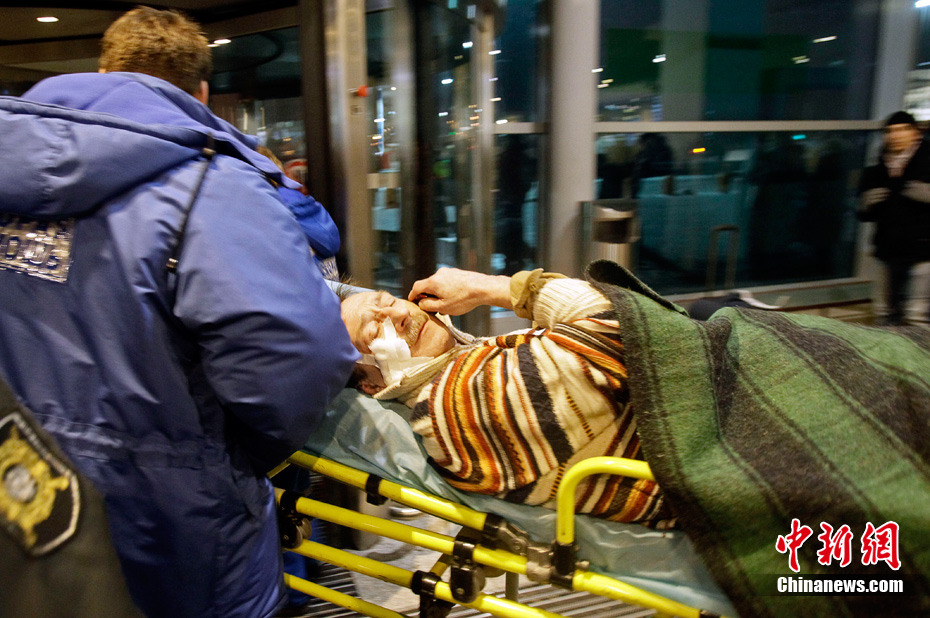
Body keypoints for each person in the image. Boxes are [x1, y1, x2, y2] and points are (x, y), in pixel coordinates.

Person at [0, 7, 357, 618]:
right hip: (176, 526)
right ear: (201, 92)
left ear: (103, 71)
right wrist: (238, 457)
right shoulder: (212, 187)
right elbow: (296, 360)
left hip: (25, 499)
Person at [339, 267, 674, 527]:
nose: (400, 315)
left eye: (387, 301)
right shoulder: (451, 408)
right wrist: (486, 287)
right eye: (375, 330)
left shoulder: (473, 361)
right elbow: (624, 326)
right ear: (370, 382)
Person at [858, 110, 930, 325]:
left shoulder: (927, 162)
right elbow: (864, 214)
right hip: (887, 249)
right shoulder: (878, 168)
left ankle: (919, 356)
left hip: (924, 249)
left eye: (901, 130)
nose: (895, 136)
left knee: (917, 313)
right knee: (883, 311)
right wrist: (867, 202)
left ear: (915, 133)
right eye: (890, 131)